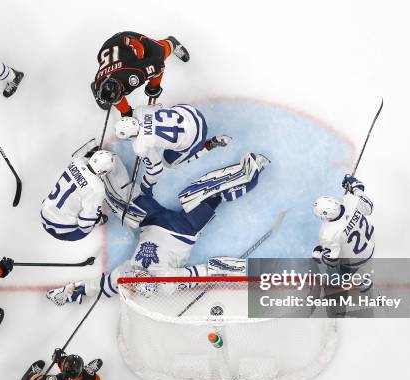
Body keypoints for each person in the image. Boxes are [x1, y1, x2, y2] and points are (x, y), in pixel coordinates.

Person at [46, 151, 270, 305]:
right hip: (184, 229)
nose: (139, 275)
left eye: (136, 279)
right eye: (143, 279)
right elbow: (203, 273)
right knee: (206, 192)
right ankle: (252, 171)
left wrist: (73, 290)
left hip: (150, 221)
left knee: (121, 200)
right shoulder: (166, 284)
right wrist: (241, 271)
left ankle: (102, 162)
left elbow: (101, 286)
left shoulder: (126, 277)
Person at [115, 103, 231, 194]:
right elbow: (158, 106)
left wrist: (146, 185)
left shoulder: (140, 146)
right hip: (193, 114)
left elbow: (156, 170)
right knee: (171, 112)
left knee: (169, 163)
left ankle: (208, 145)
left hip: (196, 139)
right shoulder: (140, 110)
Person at [91, 31, 189, 117]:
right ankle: (106, 96)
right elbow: (117, 99)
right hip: (109, 49)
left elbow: (158, 65)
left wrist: (154, 87)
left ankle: (172, 43)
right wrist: (127, 113)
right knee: (112, 94)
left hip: (128, 41)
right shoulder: (98, 83)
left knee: (159, 52)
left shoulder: (134, 75)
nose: (116, 101)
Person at [312, 174, 375, 292]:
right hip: (370, 244)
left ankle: (364, 285)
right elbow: (368, 206)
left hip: (358, 260)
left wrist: (318, 255)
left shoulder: (327, 234)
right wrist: (354, 186)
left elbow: (331, 262)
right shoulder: (350, 201)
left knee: (344, 273)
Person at [41, 145, 112, 241]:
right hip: (62, 230)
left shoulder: (76, 162)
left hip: (45, 212)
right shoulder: (97, 188)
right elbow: (84, 223)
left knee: (79, 195)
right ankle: (98, 220)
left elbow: (84, 160)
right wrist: (94, 218)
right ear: (103, 172)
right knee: (91, 215)